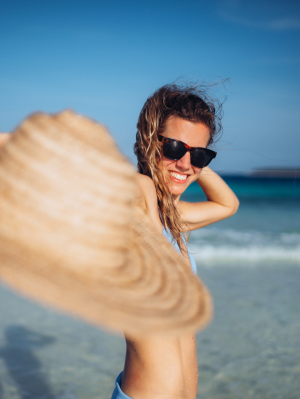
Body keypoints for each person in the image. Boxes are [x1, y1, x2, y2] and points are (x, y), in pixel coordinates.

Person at [113, 84, 239, 399]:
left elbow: (228, 205)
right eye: (172, 147)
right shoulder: (134, 197)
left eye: (200, 153)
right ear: (147, 141)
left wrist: (192, 159)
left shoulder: (171, 217)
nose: (184, 164)